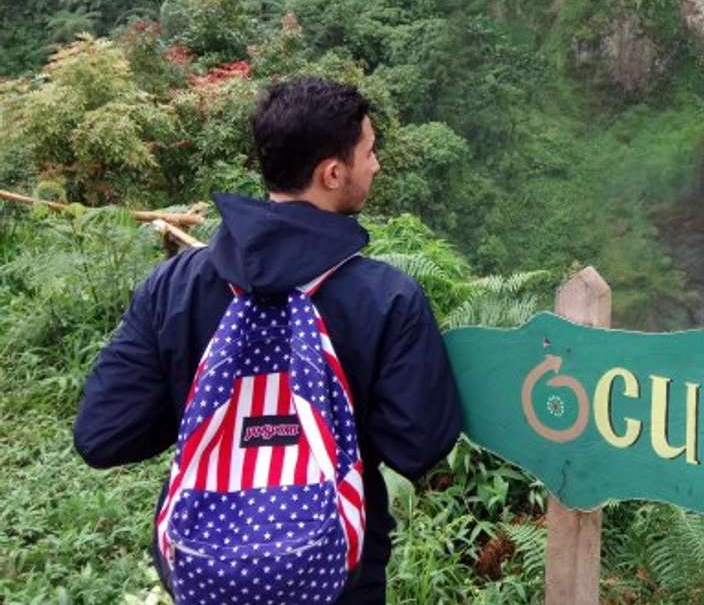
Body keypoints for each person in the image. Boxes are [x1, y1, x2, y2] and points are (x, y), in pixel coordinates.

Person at [73, 76, 463, 602]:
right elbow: (419, 446)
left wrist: (217, 416)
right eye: (370, 151)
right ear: (332, 172)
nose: (377, 164)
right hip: (336, 578)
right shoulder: (387, 298)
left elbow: (103, 435)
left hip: (206, 572)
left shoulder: (174, 286)